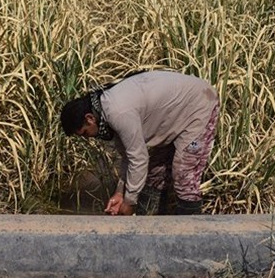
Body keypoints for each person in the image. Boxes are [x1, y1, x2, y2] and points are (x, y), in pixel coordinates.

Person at [60, 70, 219, 216]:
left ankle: (191, 237)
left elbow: (139, 159)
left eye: (85, 133)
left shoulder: (118, 113)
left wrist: (129, 203)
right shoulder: (105, 110)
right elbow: (128, 157)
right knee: (155, 175)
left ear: (89, 118)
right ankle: (156, 231)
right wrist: (120, 193)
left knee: (185, 175)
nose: (88, 138)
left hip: (200, 104)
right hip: (178, 112)